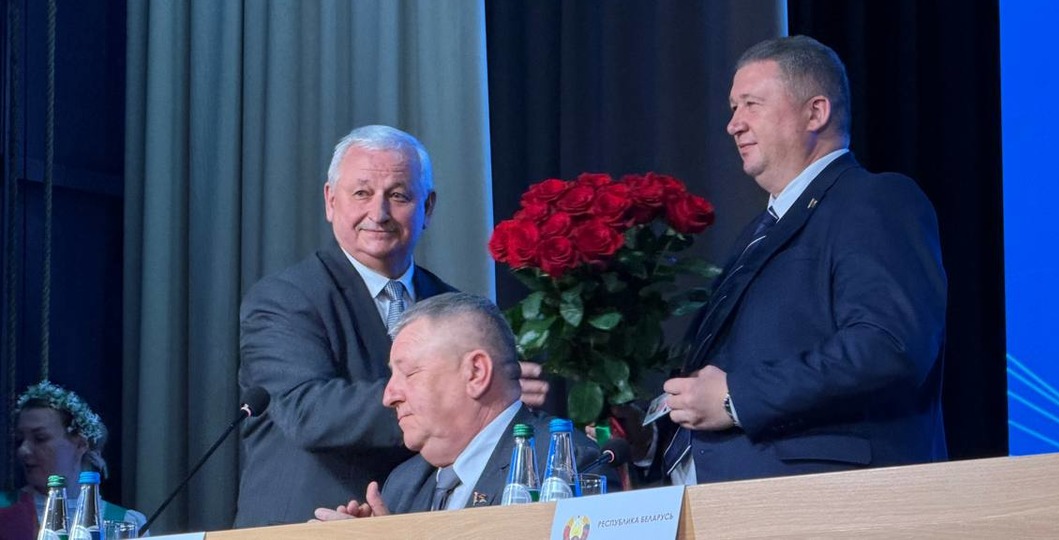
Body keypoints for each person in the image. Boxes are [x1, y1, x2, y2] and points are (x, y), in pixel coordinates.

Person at [659, 35, 948, 484]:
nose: (733, 124)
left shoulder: (874, 200)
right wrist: (658, 428)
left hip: (828, 497)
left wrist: (737, 397)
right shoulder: (757, 232)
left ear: (816, 113)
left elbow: (886, 346)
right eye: (733, 108)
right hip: (725, 498)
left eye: (751, 104)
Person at [235, 126, 549, 527]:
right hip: (308, 527)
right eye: (361, 193)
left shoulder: (454, 309)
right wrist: (451, 397)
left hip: (419, 526)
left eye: (398, 196)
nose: (379, 213)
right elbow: (307, 410)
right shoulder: (285, 298)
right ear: (331, 201)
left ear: (428, 207)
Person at [312, 293, 616, 520]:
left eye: (409, 373)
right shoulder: (403, 484)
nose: (388, 396)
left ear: (476, 373)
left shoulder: (565, 465)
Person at [0, 381, 148, 539]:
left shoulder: (126, 523)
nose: (23, 450)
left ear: (80, 444)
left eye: (40, 438)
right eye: (20, 440)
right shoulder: (4, 509)